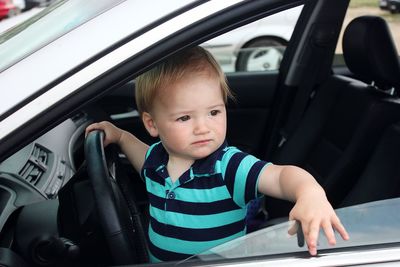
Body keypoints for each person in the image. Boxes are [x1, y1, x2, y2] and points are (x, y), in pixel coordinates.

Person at [85, 46, 349, 262]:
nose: (203, 128)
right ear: (152, 125)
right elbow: (139, 155)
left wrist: (310, 194)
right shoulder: (156, 160)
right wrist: (120, 136)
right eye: (185, 117)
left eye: (214, 112)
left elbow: (281, 176)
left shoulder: (230, 167)